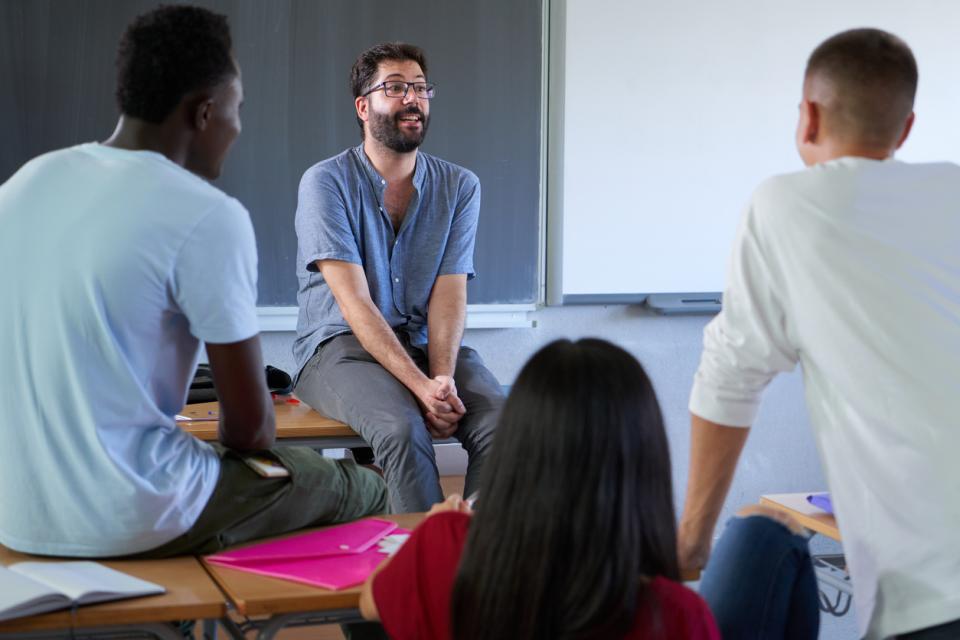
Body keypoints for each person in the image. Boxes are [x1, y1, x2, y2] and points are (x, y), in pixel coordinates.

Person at [0, 5, 385, 559]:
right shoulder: (205, 213)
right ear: (204, 113)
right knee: (364, 487)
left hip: (17, 511)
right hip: (130, 514)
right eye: (237, 108)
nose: (239, 127)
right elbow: (249, 431)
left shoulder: (28, 181)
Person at [678, 28, 960, 639]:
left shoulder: (786, 204)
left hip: (934, 592)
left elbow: (730, 378)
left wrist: (692, 544)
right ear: (906, 129)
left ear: (807, 116)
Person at [358, 339, 819, 639]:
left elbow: (369, 601)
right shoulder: (673, 616)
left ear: (516, 450)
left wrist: (435, 530)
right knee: (768, 532)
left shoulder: (444, 549)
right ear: (643, 466)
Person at [293, 42, 503, 513]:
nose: (413, 98)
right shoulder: (325, 182)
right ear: (363, 106)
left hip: (427, 345)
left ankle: (477, 560)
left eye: (421, 88)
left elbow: (450, 293)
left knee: (502, 425)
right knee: (401, 429)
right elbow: (355, 304)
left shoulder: (459, 186)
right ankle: (421, 571)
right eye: (395, 88)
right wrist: (421, 387)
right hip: (340, 347)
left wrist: (442, 378)